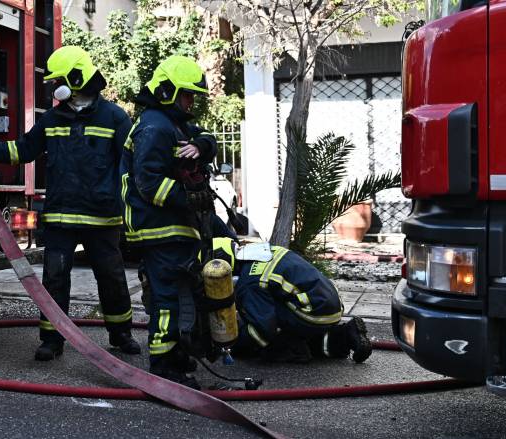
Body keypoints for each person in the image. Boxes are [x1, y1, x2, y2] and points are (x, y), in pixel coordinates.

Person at [0, 46, 140, 360]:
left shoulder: (114, 118)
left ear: (77, 77)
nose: (55, 87)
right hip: (61, 216)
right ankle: (52, 340)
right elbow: (24, 150)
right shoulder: (53, 119)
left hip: (102, 218)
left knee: (112, 278)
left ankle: (121, 334)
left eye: (59, 80)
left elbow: (131, 163)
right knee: (55, 279)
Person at [120, 55, 217, 388]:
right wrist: (187, 198)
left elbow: (205, 138)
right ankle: (163, 366)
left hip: (175, 229)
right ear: (166, 91)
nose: (191, 102)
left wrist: (202, 146)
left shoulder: (173, 124)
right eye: (186, 95)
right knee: (166, 300)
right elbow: (148, 182)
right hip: (158, 229)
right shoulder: (154, 126)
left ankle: (176, 355)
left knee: (179, 296)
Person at [210, 237, 373, 364]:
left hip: (312, 312)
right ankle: (347, 335)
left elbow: (263, 330)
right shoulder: (263, 252)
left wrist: (235, 345)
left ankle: (291, 348)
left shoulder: (249, 282)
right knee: (274, 313)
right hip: (330, 306)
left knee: (265, 332)